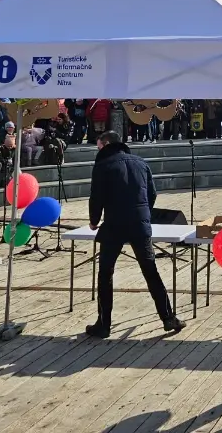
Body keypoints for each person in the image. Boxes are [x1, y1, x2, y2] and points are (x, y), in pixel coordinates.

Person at [86, 130, 184, 338]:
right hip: (139, 224)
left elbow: (96, 197)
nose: (98, 150)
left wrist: (94, 221)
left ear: (106, 144)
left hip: (114, 224)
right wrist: (144, 215)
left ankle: (104, 324)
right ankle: (168, 318)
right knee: (150, 271)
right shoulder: (140, 162)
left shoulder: (103, 165)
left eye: (98, 146)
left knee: (106, 274)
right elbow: (152, 194)